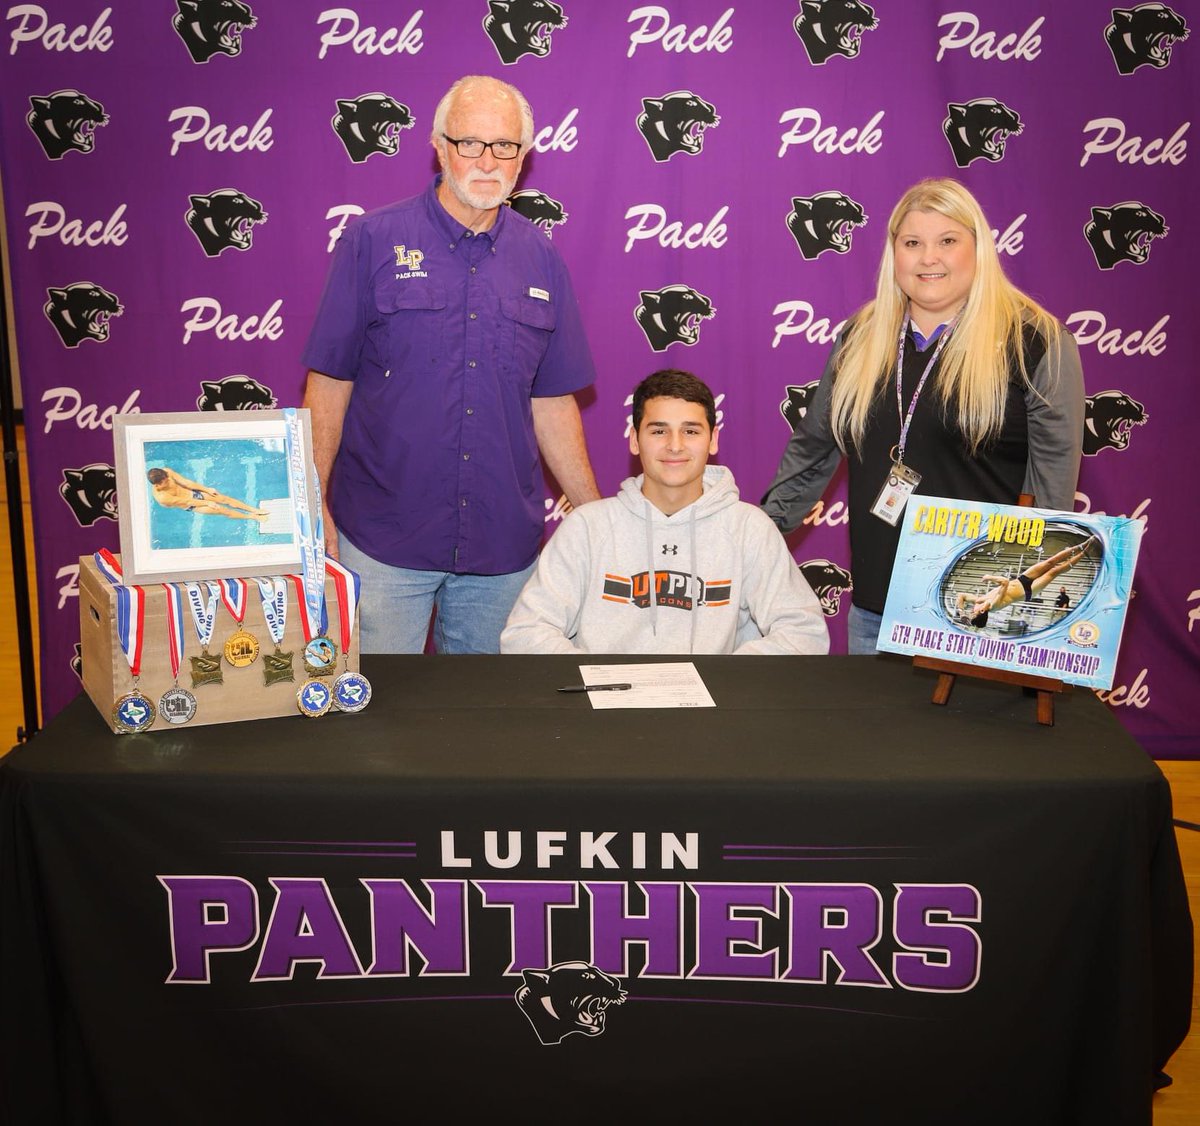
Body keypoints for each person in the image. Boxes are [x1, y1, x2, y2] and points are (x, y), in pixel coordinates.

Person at [302, 75, 601, 654]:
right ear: (438, 146)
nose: (487, 161)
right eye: (470, 143)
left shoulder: (542, 258)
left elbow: (553, 401)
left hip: (502, 552)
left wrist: (596, 520)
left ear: (524, 157)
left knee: (484, 727)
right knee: (377, 727)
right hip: (383, 541)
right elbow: (328, 384)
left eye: (505, 146)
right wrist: (311, 507)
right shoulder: (371, 241)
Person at [762, 178, 1084, 653]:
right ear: (895, 254)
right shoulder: (861, 335)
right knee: (871, 732)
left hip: (975, 616)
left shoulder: (1034, 340)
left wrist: (1027, 611)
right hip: (874, 612)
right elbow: (814, 447)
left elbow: (1053, 487)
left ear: (978, 249)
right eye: (912, 243)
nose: (928, 258)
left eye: (948, 241)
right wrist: (751, 541)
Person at [501, 371, 829, 655]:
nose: (675, 445)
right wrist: (602, 678)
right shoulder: (588, 526)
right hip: (604, 714)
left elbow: (804, 633)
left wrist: (724, 677)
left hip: (712, 714)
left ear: (713, 440)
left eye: (691, 431)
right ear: (634, 440)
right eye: (659, 431)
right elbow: (525, 634)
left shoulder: (749, 528)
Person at [954, 535, 1098, 628]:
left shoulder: (979, 600)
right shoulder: (993, 605)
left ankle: (1082, 544)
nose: (971, 610)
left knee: (1050, 562)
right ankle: (1085, 552)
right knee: (1055, 571)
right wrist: (989, 577)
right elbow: (1004, 582)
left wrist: (961, 613)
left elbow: (961, 595)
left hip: (1021, 579)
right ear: (982, 612)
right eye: (973, 613)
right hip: (1029, 590)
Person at [146, 468, 267, 522]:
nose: (168, 481)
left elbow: (186, 482)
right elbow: (187, 502)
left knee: (224, 499)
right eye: (165, 482)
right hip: (192, 504)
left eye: (167, 479)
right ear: (157, 485)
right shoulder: (163, 497)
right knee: (223, 510)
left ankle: (253, 510)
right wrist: (207, 502)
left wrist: (207, 490)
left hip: (193, 493)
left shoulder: (167, 472)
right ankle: (252, 517)